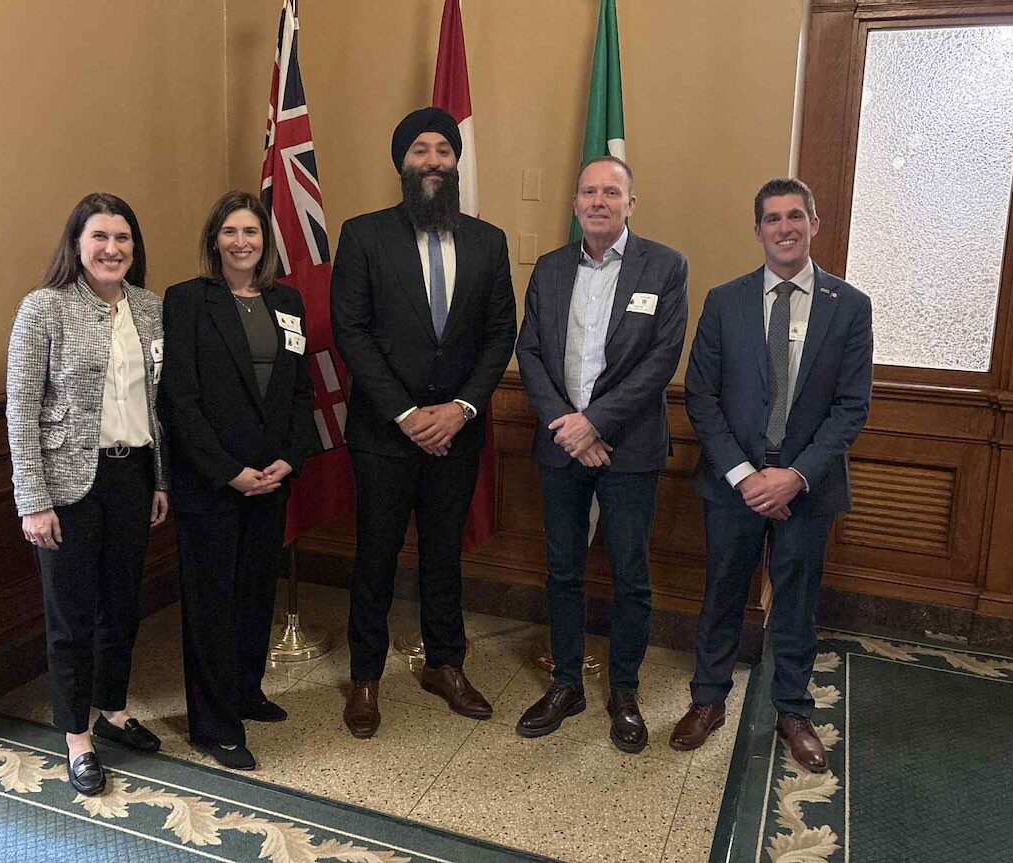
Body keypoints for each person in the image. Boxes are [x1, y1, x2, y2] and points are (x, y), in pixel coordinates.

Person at [673, 177, 872, 773]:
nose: (785, 228)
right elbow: (701, 396)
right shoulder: (724, 301)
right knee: (722, 592)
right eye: (773, 218)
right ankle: (708, 700)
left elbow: (852, 407)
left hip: (807, 488)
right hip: (732, 483)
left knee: (797, 601)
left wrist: (794, 476)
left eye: (795, 216)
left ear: (814, 224)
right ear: (757, 229)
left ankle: (792, 711)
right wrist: (745, 475)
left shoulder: (849, 305)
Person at [330, 107, 516, 738]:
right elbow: (351, 331)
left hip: (456, 433)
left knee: (443, 556)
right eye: (420, 150)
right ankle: (365, 678)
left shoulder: (489, 241)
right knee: (375, 557)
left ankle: (445, 664)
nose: (433, 159)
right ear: (401, 163)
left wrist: (460, 409)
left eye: (443, 149)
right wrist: (407, 413)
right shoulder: (363, 235)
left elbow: (500, 334)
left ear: (456, 162)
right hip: (385, 434)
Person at [514, 157, 688, 753]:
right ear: (575, 203)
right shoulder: (550, 268)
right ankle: (567, 684)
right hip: (562, 443)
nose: (598, 201)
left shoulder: (664, 266)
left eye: (611, 192)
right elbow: (529, 351)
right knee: (563, 568)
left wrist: (594, 424)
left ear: (630, 204)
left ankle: (624, 691)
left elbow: (661, 360)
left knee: (630, 574)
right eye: (588, 192)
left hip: (628, 447)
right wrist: (569, 428)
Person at [6, 192, 170, 796]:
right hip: (68, 485)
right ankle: (77, 736)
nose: (111, 248)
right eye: (99, 236)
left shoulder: (149, 308)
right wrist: (33, 499)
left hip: (133, 476)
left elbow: (156, 403)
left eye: (122, 237)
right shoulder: (44, 308)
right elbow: (21, 407)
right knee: (71, 615)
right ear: (77, 244)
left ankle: (113, 711)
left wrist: (159, 480)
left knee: (122, 605)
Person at [160, 190, 320, 770]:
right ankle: (213, 723)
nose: (240, 241)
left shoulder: (287, 301)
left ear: (264, 241)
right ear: (214, 240)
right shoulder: (187, 300)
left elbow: (299, 391)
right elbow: (179, 399)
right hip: (213, 483)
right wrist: (228, 472)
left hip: (270, 479)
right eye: (229, 231)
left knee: (255, 593)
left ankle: (246, 692)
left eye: (250, 231)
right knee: (212, 604)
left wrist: (290, 458)